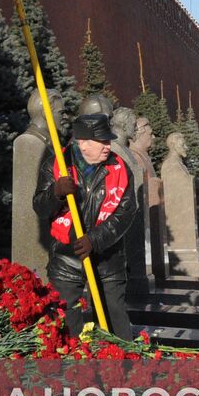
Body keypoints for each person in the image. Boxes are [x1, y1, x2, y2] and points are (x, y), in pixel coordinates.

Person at [33, 112, 136, 339]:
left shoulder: (119, 168)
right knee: (65, 319)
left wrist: (96, 239)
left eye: (108, 140)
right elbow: (40, 207)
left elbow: (126, 213)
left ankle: (123, 367)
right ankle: (72, 368)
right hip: (66, 257)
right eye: (102, 141)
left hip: (108, 258)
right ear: (82, 143)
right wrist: (56, 193)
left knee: (115, 320)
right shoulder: (56, 165)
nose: (108, 146)